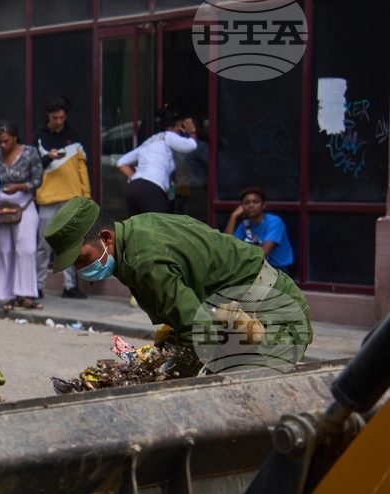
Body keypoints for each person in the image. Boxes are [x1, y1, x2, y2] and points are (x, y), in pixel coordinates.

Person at [44, 198, 314, 377]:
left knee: (231, 401)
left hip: (277, 318)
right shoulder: (135, 231)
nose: (81, 270)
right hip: (254, 308)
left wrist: (171, 381)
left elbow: (198, 332)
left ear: (105, 238)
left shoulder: (143, 260)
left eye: (83, 259)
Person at [0, 119, 44, 311]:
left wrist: (20, 186)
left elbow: (38, 180)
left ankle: (24, 295)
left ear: (15, 137)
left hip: (23, 204)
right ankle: (8, 295)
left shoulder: (30, 153)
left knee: (26, 249)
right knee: (4, 251)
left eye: (6, 140)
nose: (2, 145)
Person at [32, 95, 91, 300]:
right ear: (48, 115)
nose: (59, 121)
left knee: (71, 244)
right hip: (47, 197)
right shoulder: (39, 135)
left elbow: (82, 167)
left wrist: (86, 196)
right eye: (55, 117)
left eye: (62, 117)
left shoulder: (73, 134)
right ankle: (37, 286)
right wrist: (48, 157)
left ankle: (70, 287)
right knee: (43, 245)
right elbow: (32, 166)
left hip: (71, 197)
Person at [116, 110, 198, 216]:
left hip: (133, 187)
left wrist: (133, 176)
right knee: (157, 229)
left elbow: (121, 162)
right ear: (170, 128)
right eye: (181, 128)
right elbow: (191, 145)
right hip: (151, 188)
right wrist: (192, 132)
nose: (182, 132)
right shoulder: (168, 135)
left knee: (137, 229)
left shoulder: (150, 141)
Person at [223, 186, 295, 274]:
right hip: (256, 267)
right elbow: (227, 245)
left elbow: (263, 253)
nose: (251, 205)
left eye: (255, 202)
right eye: (246, 203)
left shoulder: (274, 222)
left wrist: (239, 253)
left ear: (263, 205)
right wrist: (233, 216)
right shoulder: (245, 224)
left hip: (278, 269)